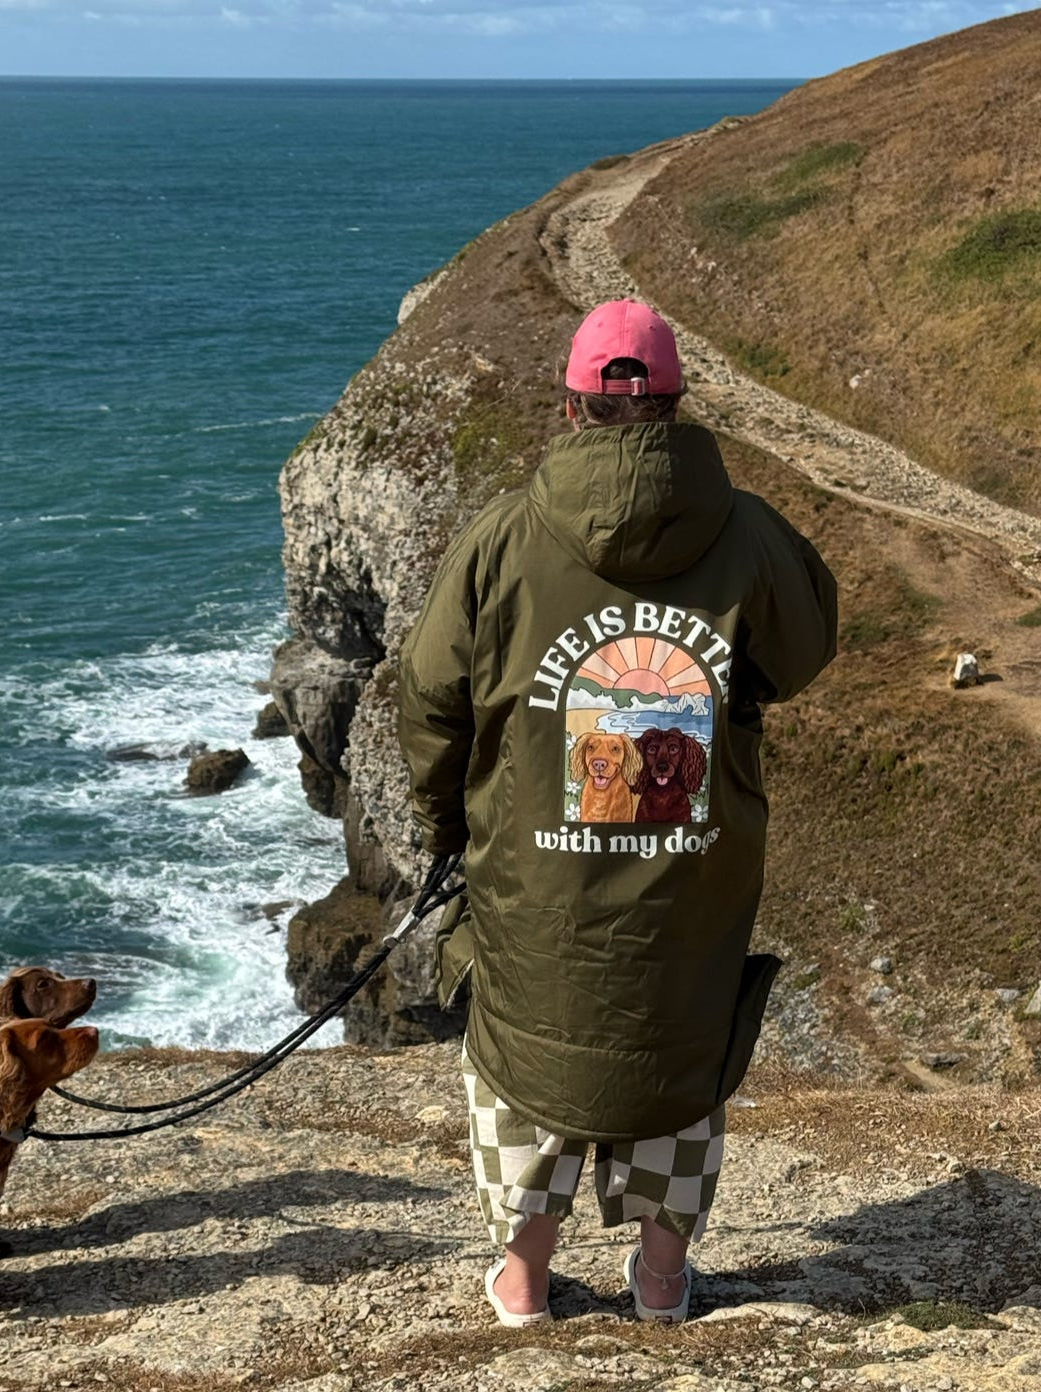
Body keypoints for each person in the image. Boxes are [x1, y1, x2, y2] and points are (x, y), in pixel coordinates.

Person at [397, 300, 837, 1325]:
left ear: (570, 409)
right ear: (677, 406)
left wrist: (445, 830)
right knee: (677, 1050)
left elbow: (429, 696)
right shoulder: (748, 533)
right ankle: (663, 1281)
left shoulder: (502, 540)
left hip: (535, 875)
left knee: (527, 1051)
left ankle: (520, 1284)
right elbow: (806, 647)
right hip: (693, 874)